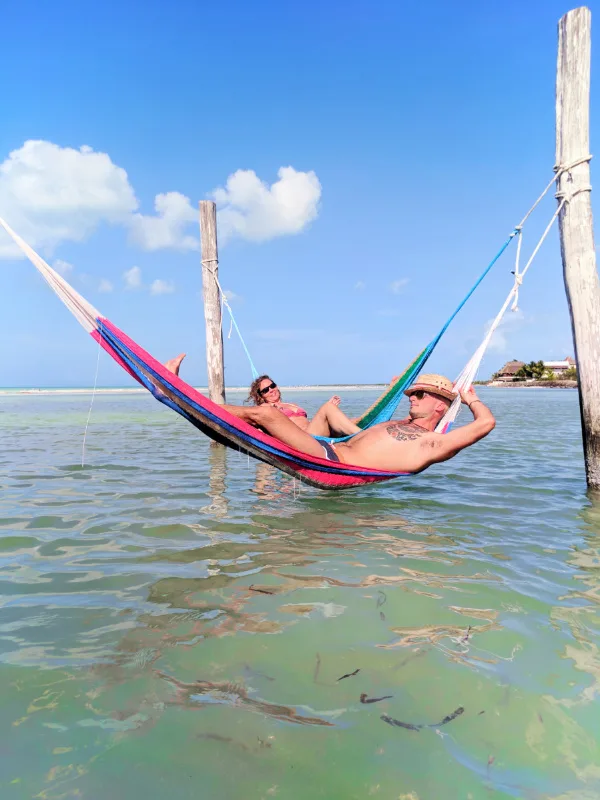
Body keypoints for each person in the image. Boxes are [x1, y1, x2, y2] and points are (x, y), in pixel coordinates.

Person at [218, 373, 495, 474]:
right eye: (411, 394)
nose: (411, 398)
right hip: (327, 449)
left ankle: (182, 393)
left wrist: (470, 400)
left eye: (418, 395)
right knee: (266, 415)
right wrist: (400, 387)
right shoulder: (404, 421)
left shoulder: (434, 443)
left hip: (332, 462)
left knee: (266, 414)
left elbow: (486, 423)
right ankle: (186, 399)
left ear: (439, 405)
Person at [247, 374, 360, 437]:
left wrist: (328, 413)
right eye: (266, 390)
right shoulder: (266, 408)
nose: (271, 390)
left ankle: (371, 433)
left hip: (314, 431)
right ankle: (362, 435)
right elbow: (257, 422)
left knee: (356, 420)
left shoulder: (291, 404)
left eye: (272, 385)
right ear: (261, 396)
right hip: (304, 439)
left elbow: (307, 422)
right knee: (328, 407)